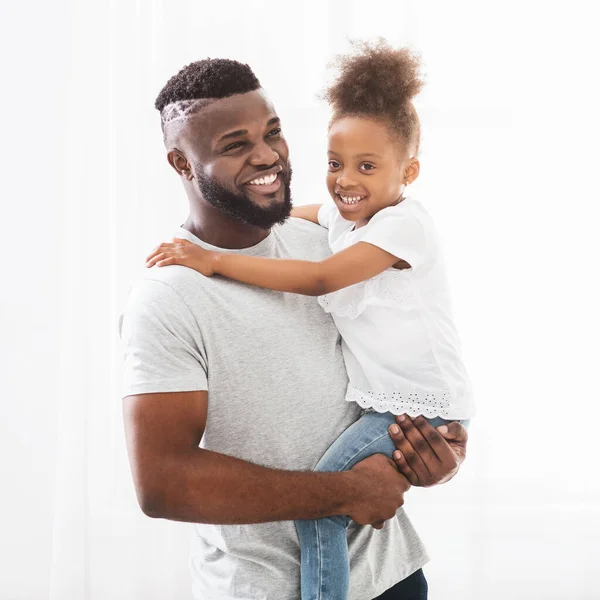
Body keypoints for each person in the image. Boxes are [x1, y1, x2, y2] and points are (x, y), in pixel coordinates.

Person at [120, 54, 469, 600]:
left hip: (392, 576)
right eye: (235, 144)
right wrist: (344, 491)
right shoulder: (170, 297)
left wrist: (435, 459)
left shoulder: (332, 244)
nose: (267, 156)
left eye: (274, 133)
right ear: (181, 164)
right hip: (263, 589)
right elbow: (163, 484)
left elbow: (395, 387)